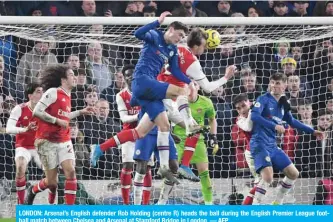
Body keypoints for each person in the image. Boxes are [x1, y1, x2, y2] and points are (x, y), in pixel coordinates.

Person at [90, 12, 194, 184]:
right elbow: (137, 34)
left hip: (149, 91)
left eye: (183, 37)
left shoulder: (172, 50)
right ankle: (189, 121)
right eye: (180, 35)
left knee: (151, 129)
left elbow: (175, 71)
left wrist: (188, 80)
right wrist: (157, 21)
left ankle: (100, 148)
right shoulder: (154, 35)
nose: (180, 39)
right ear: (171, 29)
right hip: (142, 81)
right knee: (180, 91)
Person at [157, 27, 236, 181]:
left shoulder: (177, 47)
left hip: (160, 92)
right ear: (197, 46)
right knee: (149, 131)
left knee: (195, 129)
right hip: (169, 98)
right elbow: (207, 88)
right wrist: (226, 77)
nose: (205, 49)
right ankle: (165, 166)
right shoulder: (193, 62)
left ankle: (182, 165)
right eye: (204, 46)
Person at [250, 73, 324, 205]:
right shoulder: (263, 99)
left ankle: (277, 203)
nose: (274, 86)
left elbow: (292, 121)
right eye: (272, 82)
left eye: (277, 83)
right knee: (268, 178)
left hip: (272, 145)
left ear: (285, 86)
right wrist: (275, 126)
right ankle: (255, 208)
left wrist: (312, 131)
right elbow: (254, 117)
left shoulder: (284, 102)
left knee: (293, 173)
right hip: (259, 143)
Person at [25, 64, 94, 205]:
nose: (75, 77)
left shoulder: (68, 96)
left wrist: (81, 112)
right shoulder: (53, 92)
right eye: (71, 75)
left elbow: (65, 116)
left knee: (71, 173)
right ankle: (32, 190)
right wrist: (57, 121)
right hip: (46, 140)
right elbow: (37, 111)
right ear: (63, 79)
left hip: (64, 139)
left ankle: (69, 211)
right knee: (52, 182)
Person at [173, 82, 218, 205]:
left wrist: (213, 137)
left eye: (193, 84)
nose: (190, 87)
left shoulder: (206, 102)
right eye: (187, 84)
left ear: (198, 87)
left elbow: (212, 120)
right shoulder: (177, 101)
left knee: (204, 172)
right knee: (171, 172)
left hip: (197, 141)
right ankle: (162, 201)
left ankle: (209, 204)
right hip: (178, 140)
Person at [116, 64, 153, 205]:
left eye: (133, 74)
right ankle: (126, 204)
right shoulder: (121, 95)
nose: (130, 77)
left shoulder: (147, 92)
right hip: (129, 135)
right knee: (127, 165)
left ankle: (145, 204)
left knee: (146, 167)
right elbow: (124, 118)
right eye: (127, 75)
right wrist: (140, 116)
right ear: (124, 78)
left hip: (145, 135)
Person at [5, 82, 43, 204]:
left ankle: (34, 191)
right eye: (38, 92)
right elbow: (8, 129)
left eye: (43, 91)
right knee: (20, 166)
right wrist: (25, 129)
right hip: (23, 146)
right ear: (30, 96)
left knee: (53, 176)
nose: (42, 94)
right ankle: (21, 204)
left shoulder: (47, 109)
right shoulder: (19, 109)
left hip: (40, 146)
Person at [232, 93, 260, 205]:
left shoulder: (258, 110)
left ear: (249, 102)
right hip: (252, 153)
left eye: (243, 106)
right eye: (238, 108)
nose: (242, 110)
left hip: (265, 149)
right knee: (261, 182)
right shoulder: (239, 120)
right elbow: (249, 127)